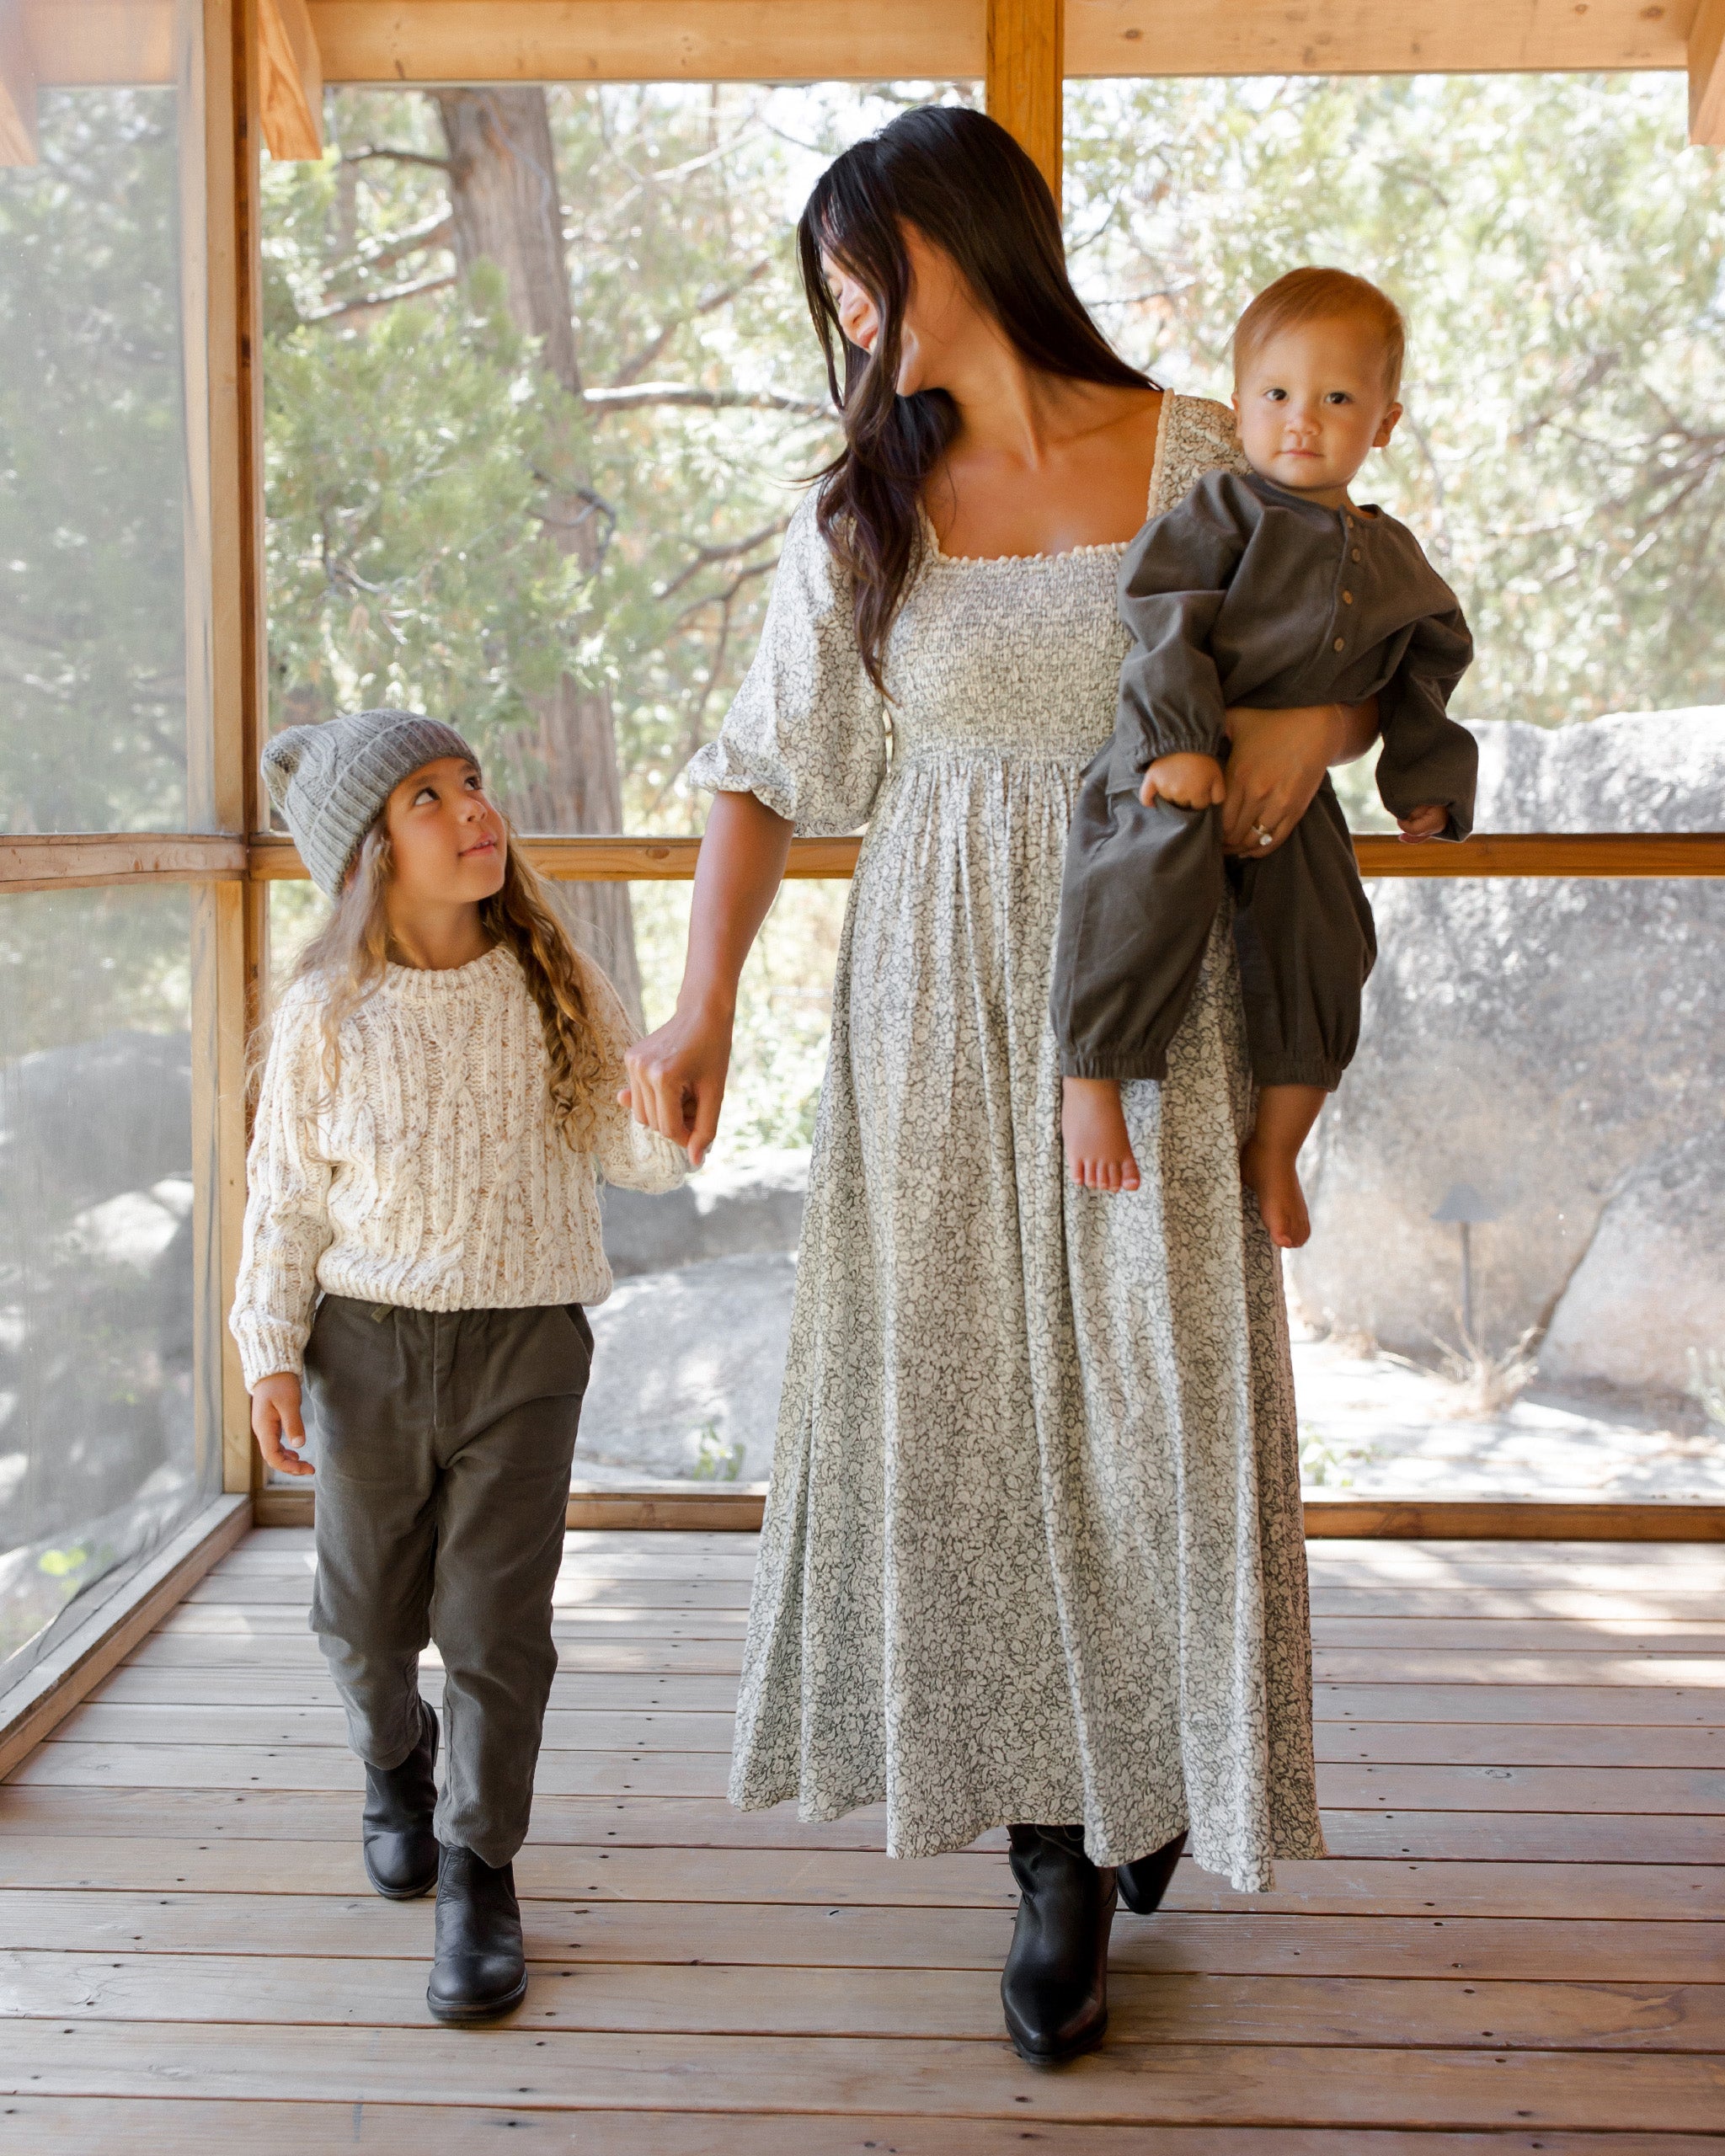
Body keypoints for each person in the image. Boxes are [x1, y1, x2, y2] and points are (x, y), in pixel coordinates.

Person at [624, 107, 1345, 2067]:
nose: (845, 313)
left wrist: (1289, 745)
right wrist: (696, 1009)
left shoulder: (1199, 447)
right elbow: (763, 765)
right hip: (937, 1009)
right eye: (829, 288)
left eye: (865, 267)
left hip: (1155, 993)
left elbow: (1322, 638)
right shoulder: (862, 508)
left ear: (962, 238)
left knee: (1150, 1392)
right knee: (973, 1414)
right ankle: (1049, 1852)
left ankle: (1158, 1759)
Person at [230, 707, 685, 2025]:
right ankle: (393, 1760)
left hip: (528, 1346)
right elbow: (286, 1204)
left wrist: (673, 1099)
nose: (473, 808)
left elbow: (632, 1154)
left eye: (472, 781)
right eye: (428, 797)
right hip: (363, 1350)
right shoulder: (325, 1014)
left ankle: (480, 1870)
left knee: (495, 1629)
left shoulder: (555, 985)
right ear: (369, 852)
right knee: (364, 1620)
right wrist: (269, 1352)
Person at [1054, 267, 1477, 1246]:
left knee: (1328, 940)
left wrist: (1426, 786)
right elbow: (1160, 618)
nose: (1302, 419)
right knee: (1140, 887)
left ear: (1383, 422)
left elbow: (1427, 669)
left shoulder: (1395, 558)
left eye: (1336, 399)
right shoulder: (1221, 511)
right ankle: (1090, 1076)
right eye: (1276, 394)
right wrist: (1178, 742)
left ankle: (1277, 1144)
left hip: (1297, 796)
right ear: (1238, 407)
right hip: (1175, 763)